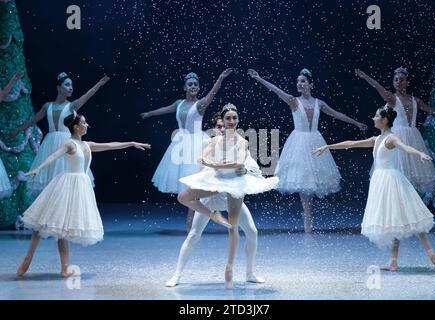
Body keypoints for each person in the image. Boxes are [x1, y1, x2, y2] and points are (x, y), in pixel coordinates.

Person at [16, 112, 150, 277]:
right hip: (66, 184)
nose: (87, 125)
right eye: (84, 123)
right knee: (44, 221)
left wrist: (130, 143)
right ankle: (28, 257)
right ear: (76, 126)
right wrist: (38, 168)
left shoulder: (87, 145)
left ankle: (65, 269)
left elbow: (109, 145)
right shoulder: (69, 143)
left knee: (63, 229)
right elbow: (53, 155)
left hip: (81, 186)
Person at [313, 106, 435, 272]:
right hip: (380, 181)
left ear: (384, 120)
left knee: (410, 216)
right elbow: (351, 144)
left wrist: (419, 153)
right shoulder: (377, 139)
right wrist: (328, 147)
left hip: (391, 181)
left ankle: (432, 255)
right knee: (394, 220)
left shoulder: (391, 138)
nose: (373, 118)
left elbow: (404, 147)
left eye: (376, 116)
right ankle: (393, 261)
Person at [248, 68, 367, 232]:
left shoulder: (319, 103)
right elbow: (276, 90)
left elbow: (337, 114)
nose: (299, 84)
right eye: (298, 81)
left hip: (315, 142)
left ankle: (308, 215)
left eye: (303, 81)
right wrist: (259, 78)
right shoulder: (293, 101)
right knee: (303, 180)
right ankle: (308, 217)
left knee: (311, 181)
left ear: (311, 84)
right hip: (299, 144)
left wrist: (356, 123)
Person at [177, 104, 278, 289]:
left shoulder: (241, 143)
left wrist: (243, 169)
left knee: (251, 232)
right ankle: (177, 274)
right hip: (212, 196)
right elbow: (202, 169)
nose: (225, 127)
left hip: (231, 193)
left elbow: (251, 167)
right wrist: (216, 167)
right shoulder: (212, 143)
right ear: (216, 126)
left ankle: (249, 273)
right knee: (193, 234)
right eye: (221, 125)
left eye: (231, 121)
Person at [140, 69, 233, 232]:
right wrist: (149, 113)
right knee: (187, 186)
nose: (193, 87)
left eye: (196, 84)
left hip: (197, 143)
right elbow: (165, 109)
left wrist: (220, 79)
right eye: (190, 84)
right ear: (185, 87)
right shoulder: (179, 103)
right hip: (181, 143)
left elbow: (213, 93)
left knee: (194, 182)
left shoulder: (201, 104)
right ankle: (195, 220)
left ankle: (192, 222)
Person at [9, 72, 110, 195]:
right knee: (50, 178)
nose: (71, 88)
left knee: (66, 176)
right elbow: (33, 120)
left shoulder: (71, 106)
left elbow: (86, 96)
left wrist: (98, 84)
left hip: (67, 143)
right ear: (58, 87)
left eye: (72, 85)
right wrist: (17, 131)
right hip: (50, 144)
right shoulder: (48, 106)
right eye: (67, 85)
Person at [355, 67, 435, 194]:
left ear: (407, 82)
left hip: (413, 138)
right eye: (396, 80)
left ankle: (408, 206)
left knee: (412, 175)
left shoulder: (415, 100)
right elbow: (379, 88)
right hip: (397, 138)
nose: (398, 82)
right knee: (396, 173)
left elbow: (431, 110)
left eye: (401, 79)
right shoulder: (392, 98)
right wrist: (366, 77)